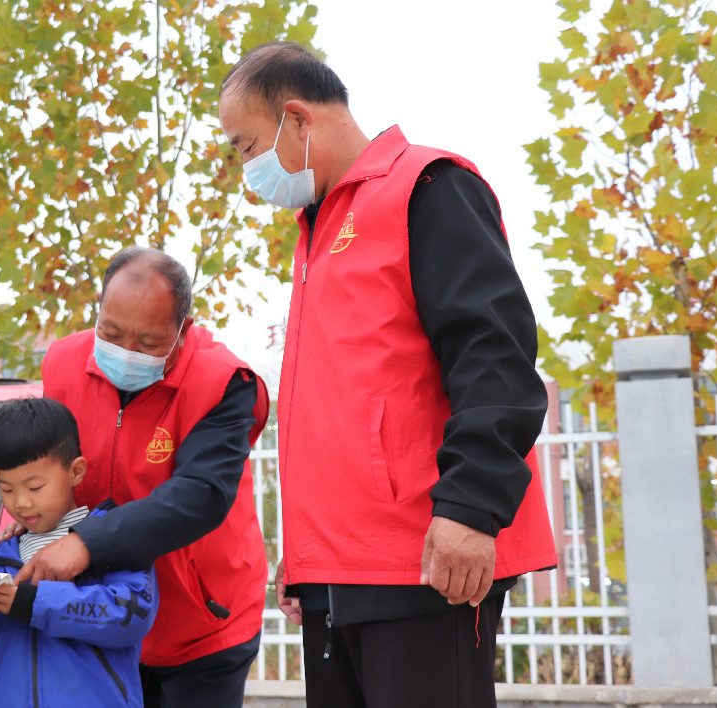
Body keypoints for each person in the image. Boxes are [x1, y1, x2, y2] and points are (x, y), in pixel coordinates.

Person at [219, 43, 559, 707]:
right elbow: (346, 402)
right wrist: (311, 548)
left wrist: (470, 507)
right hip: (344, 569)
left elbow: (494, 355)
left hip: (426, 561)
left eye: (245, 144)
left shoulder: (426, 188)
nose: (244, 167)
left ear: (296, 118)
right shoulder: (321, 222)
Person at [18, 247, 269, 707]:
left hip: (201, 623)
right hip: (99, 614)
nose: (125, 352)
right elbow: (50, 470)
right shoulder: (62, 364)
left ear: (183, 331)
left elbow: (200, 495)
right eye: (110, 334)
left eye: (148, 343)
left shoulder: (223, 381)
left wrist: (87, 543)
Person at [0, 397, 158, 707]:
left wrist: (30, 602)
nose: (21, 503)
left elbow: (130, 617)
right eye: (6, 489)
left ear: (76, 471)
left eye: (35, 487)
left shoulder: (115, 540)